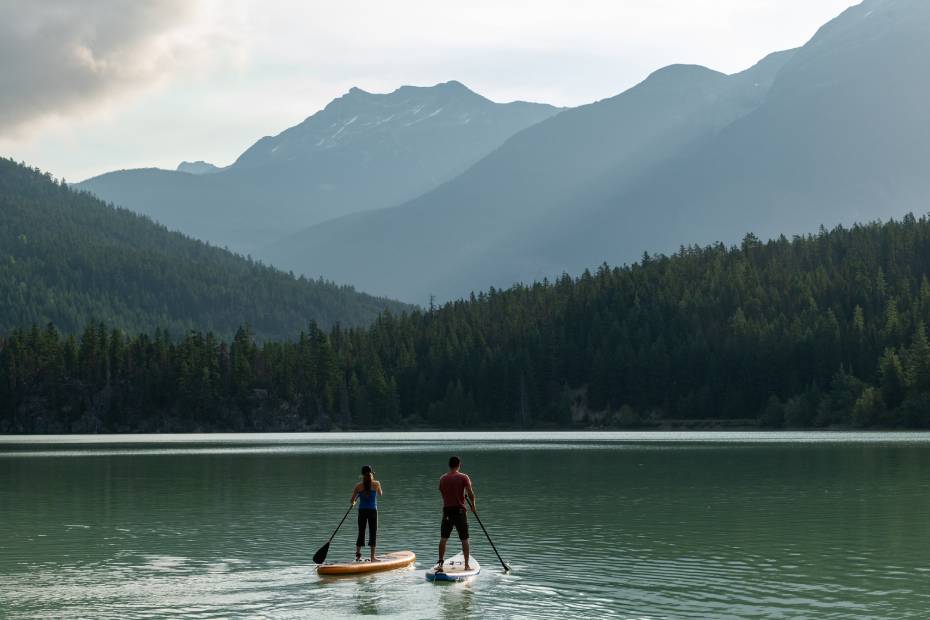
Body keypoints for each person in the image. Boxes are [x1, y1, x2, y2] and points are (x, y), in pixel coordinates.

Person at [436, 455, 476, 572]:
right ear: (459, 465)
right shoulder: (464, 477)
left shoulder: (442, 478)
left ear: (449, 465)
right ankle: (467, 565)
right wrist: (473, 505)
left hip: (447, 511)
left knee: (443, 538)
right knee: (465, 539)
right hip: (460, 511)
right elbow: (470, 493)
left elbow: (443, 493)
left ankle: (440, 565)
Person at [350, 464, 382, 562]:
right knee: (373, 533)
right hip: (372, 511)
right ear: (371, 473)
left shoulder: (358, 486)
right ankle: (373, 558)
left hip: (362, 511)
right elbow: (380, 494)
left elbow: (352, 501)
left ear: (362, 475)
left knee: (361, 532)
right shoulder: (376, 483)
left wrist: (354, 502)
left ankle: (358, 557)